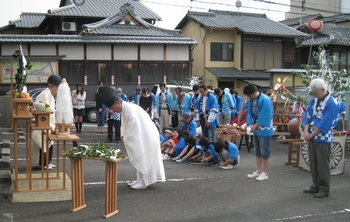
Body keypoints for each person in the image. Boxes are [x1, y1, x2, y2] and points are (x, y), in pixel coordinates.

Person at [96, 86, 166, 190]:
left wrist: (126, 137)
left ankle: (144, 182)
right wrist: (124, 135)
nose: (112, 110)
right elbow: (126, 125)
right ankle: (140, 180)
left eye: (112, 107)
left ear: (118, 104)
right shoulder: (125, 109)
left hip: (146, 135)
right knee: (139, 155)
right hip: (143, 134)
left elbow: (134, 126)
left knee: (143, 156)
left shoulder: (129, 109)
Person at [301, 79, 339, 198]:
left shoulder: (332, 103)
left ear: (323, 90)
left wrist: (311, 134)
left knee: (322, 164)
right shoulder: (314, 100)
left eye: (316, 92)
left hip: (323, 137)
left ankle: (324, 188)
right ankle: (315, 185)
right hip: (311, 135)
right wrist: (306, 131)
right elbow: (308, 115)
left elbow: (326, 123)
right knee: (313, 163)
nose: (314, 95)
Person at [244, 84, 273, 181]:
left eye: (249, 95)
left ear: (254, 92)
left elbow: (266, 115)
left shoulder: (265, 99)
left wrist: (255, 125)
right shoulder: (252, 100)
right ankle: (259, 170)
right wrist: (249, 124)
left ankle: (265, 173)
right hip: (255, 128)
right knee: (257, 152)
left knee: (265, 152)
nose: (249, 97)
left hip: (264, 129)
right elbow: (249, 113)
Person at [32, 75, 62, 170]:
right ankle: (44, 163)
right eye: (57, 88)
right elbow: (45, 110)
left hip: (49, 122)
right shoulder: (45, 95)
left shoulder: (49, 94)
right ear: (54, 87)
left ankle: (46, 162)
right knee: (44, 143)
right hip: (44, 122)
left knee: (48, 143)